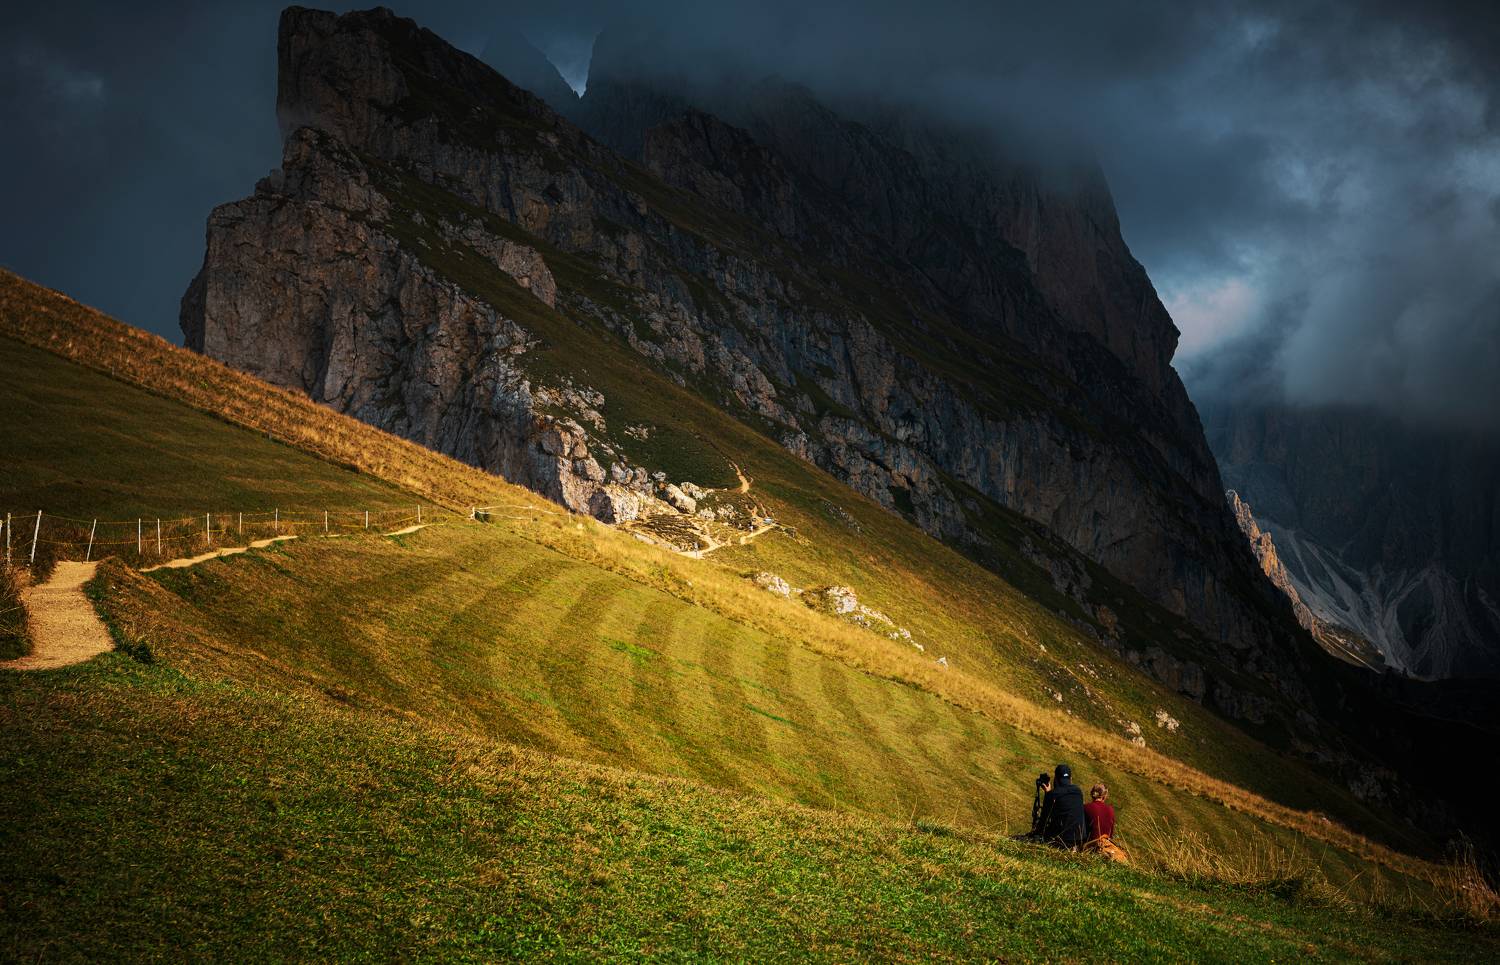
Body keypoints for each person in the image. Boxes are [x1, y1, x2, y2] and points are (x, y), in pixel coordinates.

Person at [1037, 763, 1087, 849]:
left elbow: (1044, 821)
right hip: (1080, 839)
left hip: (1063, 840)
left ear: (1056, 779)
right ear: (1070, 779)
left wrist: (1048, 794)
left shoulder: (1053, 794)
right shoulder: (1078, 792)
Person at [1084, 783, 1128, 863]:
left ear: (1091, 794)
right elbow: (1110, 834)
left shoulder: (1086, 807)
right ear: (1104, 796)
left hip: (1089, 847)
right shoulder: (1110, 810)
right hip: (1104, 846)